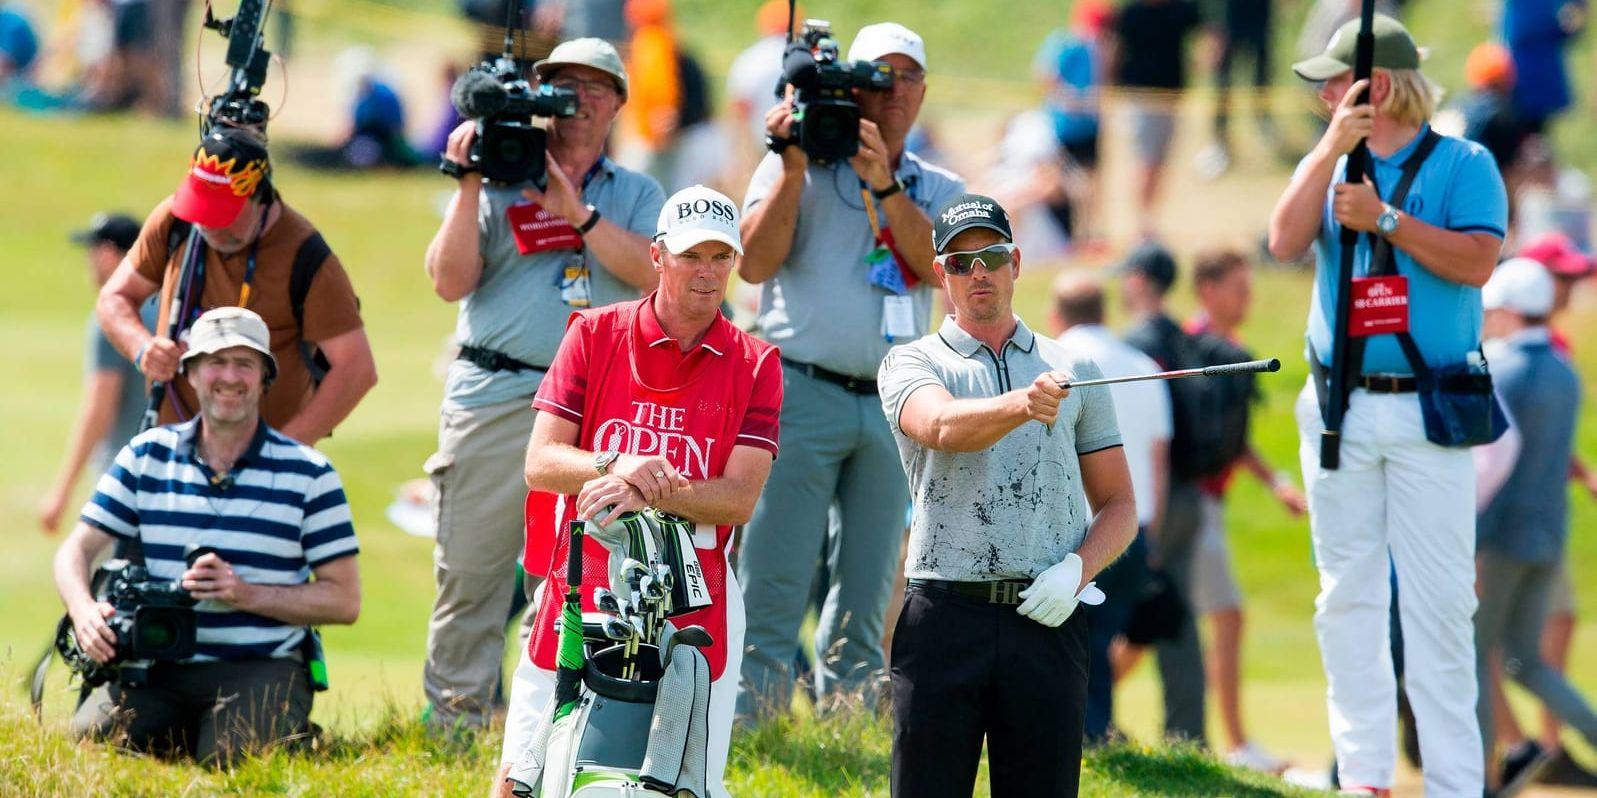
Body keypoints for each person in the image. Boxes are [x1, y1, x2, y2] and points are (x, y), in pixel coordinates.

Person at [1268, 14, 1508, 795]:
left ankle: (1451, 783)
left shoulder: (1464, 162)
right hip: (1337, 406)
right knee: (1346, 598)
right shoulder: (1332, 159)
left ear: (1376, 86)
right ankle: (1362, 777)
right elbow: (1282, 239)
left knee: (1439, 607)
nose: (1324, 95)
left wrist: (1386, 222)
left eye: (1335, 83)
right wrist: (1327, 153)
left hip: (1427, 409)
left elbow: (1476, 262)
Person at [501, 185, 783, 798]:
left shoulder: (757, 363)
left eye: (720, 257)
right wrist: (620, 462)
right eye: (691, 256)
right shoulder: (594, 333)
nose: (707, 274)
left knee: (680, 783)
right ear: (657, 256)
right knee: (529, 772)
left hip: (697, 599)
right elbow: (541, 461)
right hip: (581, 580)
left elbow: (738, 500)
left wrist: (651, 488)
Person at [423, 36, 666, 740]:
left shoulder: (637, 193)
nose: (580, 102)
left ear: (619, 103)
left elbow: (656, 276)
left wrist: (577, 214)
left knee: (578, 576)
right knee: (470, 570)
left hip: (594, 407)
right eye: (564, 87)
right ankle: (451, 724)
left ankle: (559, 723)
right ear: (540, 96)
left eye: (595, 88)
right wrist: (469, 179)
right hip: (495, 390)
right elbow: (447, 280)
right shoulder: (501, 174)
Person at [734, 21, 965, 717]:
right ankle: (756, 724)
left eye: (907, 77)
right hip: (800, 389)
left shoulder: (938, 185)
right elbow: (751, 263)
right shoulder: (792, 161)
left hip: (894, 403)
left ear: (922, 92)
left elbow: (943, 274)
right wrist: (794, 166)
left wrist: (886, 187)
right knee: (774, 575)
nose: (893, 91)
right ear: (853, 87)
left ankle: (849, 726)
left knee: (868, 587)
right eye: (878, 77)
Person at [879, 194, 1136, 797]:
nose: (978, 273)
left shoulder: (1076, 367)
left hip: (1047, 617)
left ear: (1016, 262)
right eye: (960, 261)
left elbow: (1120, 506)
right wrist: (1025, 404)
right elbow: (940, 427)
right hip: (944, 614)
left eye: (991, 256)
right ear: (939, 273)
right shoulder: (910, 362)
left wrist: (1078, 569)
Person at [55, 307, 361, 767]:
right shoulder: (146, 456)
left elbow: (344, 601)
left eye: (245, 364)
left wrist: (243, 593)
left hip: (260, 664)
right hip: (157, 664)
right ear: (192, 374)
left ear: (264, 379)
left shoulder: (310, 475)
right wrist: (84, 611)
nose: (230, 377)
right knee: (92, 751)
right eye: (216, 362)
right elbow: (74, 551)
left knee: (230, 763)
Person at [97, 125, 378, 445]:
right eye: (201, 211)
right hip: (173, 456)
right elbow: (114, 297)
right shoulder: (177, 221)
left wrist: (284, 451)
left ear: (261, 198)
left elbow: (356, 368)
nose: (209, 227)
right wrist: (142, 348)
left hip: (264, 463)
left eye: (223, 214)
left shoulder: (306, 256)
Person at [1474, 257, 1597, 795]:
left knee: (1476, 658)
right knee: (1526, 661)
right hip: (1547, 535)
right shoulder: (1565, 373)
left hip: (1500, 538)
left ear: (1509, 310)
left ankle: (1476, 779)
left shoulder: (1501, 370)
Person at [1184, 248, 1306, 771]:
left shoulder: (1232, 350)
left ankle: (1087, 716)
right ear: (1208, 290)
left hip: (1204, 504)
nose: (1248, 298)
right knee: (1224, 617)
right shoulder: (1192, 349)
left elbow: (1235, 443)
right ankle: (1238, 746)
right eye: (1238, 287)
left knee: (1163, 625)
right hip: (1191, 504)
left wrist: (1276, 482)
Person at [1050, 269, 1168, 742]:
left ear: (1057, 315)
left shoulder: (1054, 364)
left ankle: (1088, 738)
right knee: (1101, 643)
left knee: (1079, 643)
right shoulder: (1145, 363)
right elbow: (1159, 460)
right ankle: (1095, 735)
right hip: (1133, 528)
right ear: (1105, 311)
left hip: (1074, 531)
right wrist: (1152, 532)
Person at [1115, 242, 1214, 744]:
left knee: (1110, 606)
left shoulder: (1135, 344)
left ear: (1139, 280)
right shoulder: (1185, 338)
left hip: (1153, 497)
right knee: (1177, 616)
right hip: (1190, 495)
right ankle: (1187, 734)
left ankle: (1095, 721)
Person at [39, 213, 158, 533]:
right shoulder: (167, 306)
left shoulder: (112, 315)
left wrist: (61, 491)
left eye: (92, 253)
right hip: (170, 477)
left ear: (107, 253)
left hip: (120, 478)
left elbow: (99, 408)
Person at [1104, 0, 1206, 238]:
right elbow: (1114, 50)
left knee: (1159, 162)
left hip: (1171, 97)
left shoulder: (1181, 10)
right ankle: (1143, 223)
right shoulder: (1131, 13)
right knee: (1146, 162)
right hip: (1141, 97)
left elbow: (1204, 37)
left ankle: (1149, 220)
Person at [1032, 0, 1109, 247]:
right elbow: (1045, 74)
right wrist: (1069, 99)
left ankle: (1090, 233)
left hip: (1090, 126)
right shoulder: (1066, 43)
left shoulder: (1099, 48)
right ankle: (1073, 235)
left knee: (1093, 183)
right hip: (1064, 127)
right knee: (1071, 185)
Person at [1198, 0, 1281, 179]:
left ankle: (1268, 140)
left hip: (1259, 23)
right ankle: (1220, 146)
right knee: (1222, 89)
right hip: (1228, 25)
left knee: (1261, 85)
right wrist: (1212, 34)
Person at [725, 0, 793, 172]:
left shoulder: (751, 58)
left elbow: (739, 107)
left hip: (761, 142)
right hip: (799, 138)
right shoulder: (804, 59)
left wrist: (738, 152)